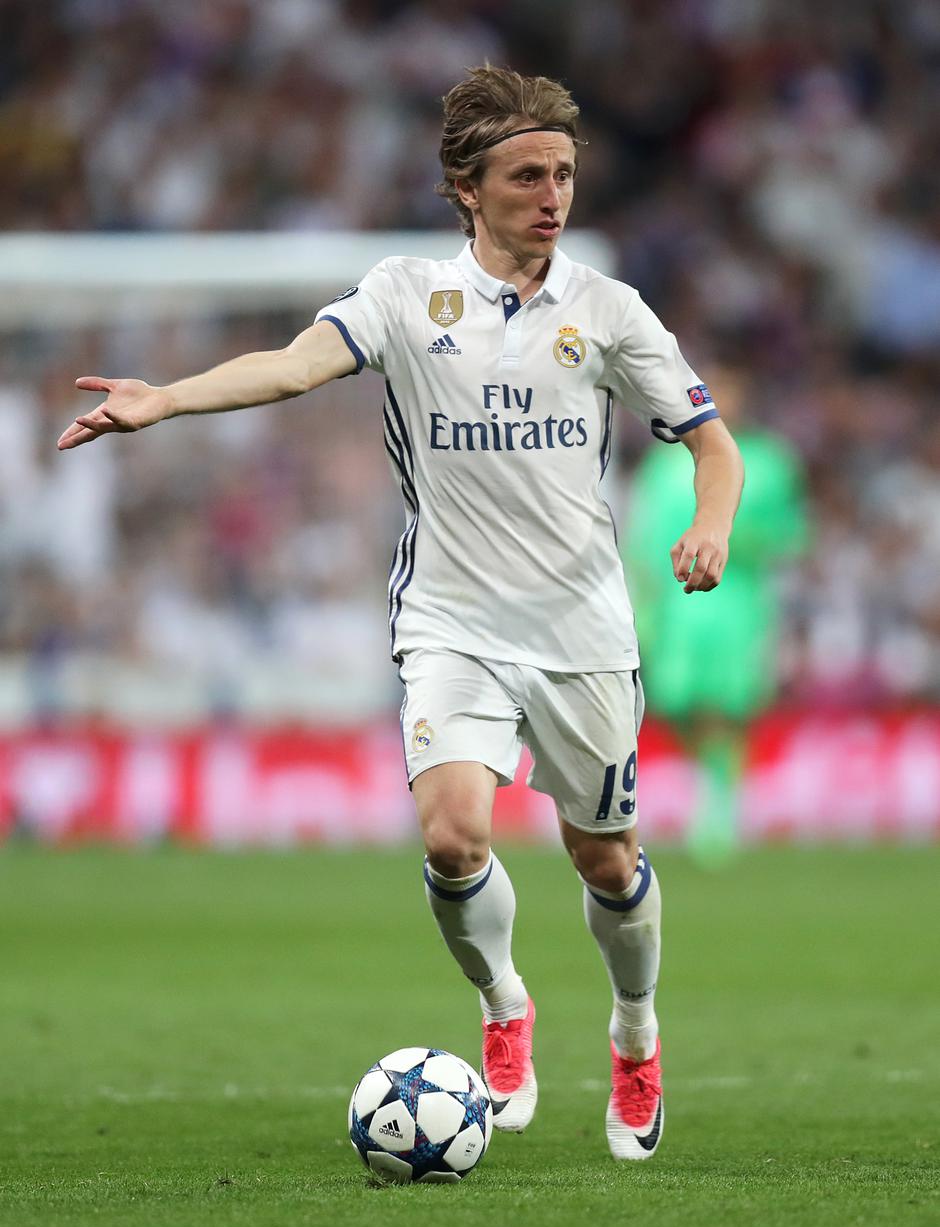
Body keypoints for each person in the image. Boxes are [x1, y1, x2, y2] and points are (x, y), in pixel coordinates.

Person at [58, 67, 744, 1161]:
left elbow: (711, 442)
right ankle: (505, 1006)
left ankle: (634, 1030)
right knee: (451, 831)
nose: (552, 194)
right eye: (527, 175)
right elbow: (291, 368)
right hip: (450, 620)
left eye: (564, 173)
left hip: (580, 628)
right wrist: (167, 398)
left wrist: (709, 524)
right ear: (466, 189)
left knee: (604, 858)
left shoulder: (609, 311)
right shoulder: (402, 294)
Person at [622, 363, 808, 864]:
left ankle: (719, 806)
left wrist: (749, 541)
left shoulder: (768, 462)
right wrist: (643, 602)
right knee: (680, 703)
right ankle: (713, 783)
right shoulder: (665, 464)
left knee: (730, 704)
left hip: (737, 601)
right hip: (675, 605)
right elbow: (640, 537)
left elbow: (791, 533)